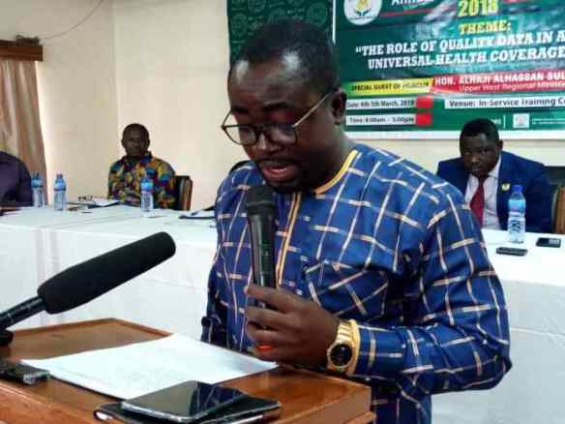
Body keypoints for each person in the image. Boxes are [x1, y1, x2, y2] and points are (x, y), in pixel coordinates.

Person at [201, 20, 511, 423]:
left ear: (337, 107)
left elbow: (483, 349)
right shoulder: (238, 189)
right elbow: (220, 319)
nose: (261, 146)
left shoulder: (421, 204)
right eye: (245, 128)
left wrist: (341, 343)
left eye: (282, 125)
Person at [437, 118, 552, 233]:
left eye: (482, 151)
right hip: (460, 240)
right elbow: (436, 217)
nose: (473, 159)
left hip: (506, 240)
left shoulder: (530, 174)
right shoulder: (448, 171)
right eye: (467, 152)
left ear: (499, 146)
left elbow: (539, 227)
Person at [108, 123, 176, 209]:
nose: (136, 144)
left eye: (140, 140)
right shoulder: (116, 167)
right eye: (131, 140)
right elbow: (111, 198)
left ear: (148, 143)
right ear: (123, 143)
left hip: (146, 215)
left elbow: (166, 205)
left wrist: (139, 205)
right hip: (114, 214)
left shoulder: (162, 167)